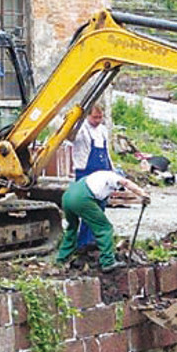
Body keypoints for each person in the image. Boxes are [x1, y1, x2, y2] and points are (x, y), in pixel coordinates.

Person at [56, 170, 150, 272]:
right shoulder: (113, 176)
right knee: (105, 228)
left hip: (67, 197)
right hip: (82, 199)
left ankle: (61, 259)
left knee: (72, 229)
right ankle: (108, 262)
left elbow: (99, 201)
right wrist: (142, 194)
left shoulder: (97, 177)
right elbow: (126, 183)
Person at [69, 104, 114, 247]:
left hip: (102, 173)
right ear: (87, 116)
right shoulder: (81, 130)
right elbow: (69, 136)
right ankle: (83, 242)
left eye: (100, 117)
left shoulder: (103, 131)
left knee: (100, 209)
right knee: (87, 209)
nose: (98, 120)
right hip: (85, 172)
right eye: (95, 117)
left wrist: (112, 170)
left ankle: (95, 239)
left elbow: (106, 152)